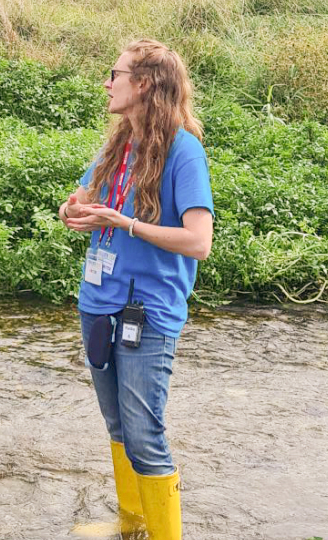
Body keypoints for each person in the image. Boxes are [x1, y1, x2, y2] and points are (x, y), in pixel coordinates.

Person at [61, 40, 213, 540]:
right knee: (119, 428)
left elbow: (198, 241)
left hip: (147, 314)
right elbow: (84, 201)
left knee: (146, 437)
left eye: (115, 74)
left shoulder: (184, 150)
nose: (107, 83)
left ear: (144, 83)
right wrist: (74, 212)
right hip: (98, 305)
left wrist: (125, 224)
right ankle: (131, 527)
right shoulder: (119, 142)